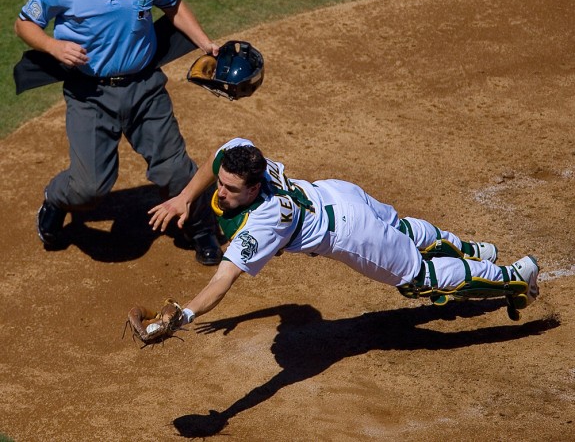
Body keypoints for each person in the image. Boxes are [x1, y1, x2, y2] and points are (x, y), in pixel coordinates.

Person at [147, 137, 540, 327]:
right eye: (222, 183)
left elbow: (223, 279)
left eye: (231, 189)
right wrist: (185, 197)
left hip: (353, 234)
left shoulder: (264, 220)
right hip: (337, 192)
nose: (221, 191)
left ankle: (512, 277)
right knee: (403, 227)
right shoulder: (246, 156)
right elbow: (219, 156)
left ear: (253, 188)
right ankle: (474, 250)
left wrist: (184, 314)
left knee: (423, 279)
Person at [15, 0, 222, 264]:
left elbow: (172, 4)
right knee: (88, 189)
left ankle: (201, 228)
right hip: (89, 95)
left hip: (144, 87)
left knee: (173, 169)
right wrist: (52, 46)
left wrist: (204, 42)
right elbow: (24, 24)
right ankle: (55, 198)